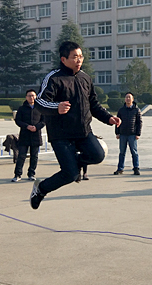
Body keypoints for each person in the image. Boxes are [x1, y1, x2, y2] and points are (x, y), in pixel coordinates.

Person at [29, 41, 121, 209]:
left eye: (80, 56)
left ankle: (73, 163)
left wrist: (108, 118)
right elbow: (40, 102)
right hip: (61, 135)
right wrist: (56, 107)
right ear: (63, 59)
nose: (79, 60)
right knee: (70, 174)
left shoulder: (85, 78)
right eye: (74, 57)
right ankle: (41, 189)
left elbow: (93, 104)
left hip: (83, 131)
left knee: (97, 155)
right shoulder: (54, 78)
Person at [12, 89, 45, 182]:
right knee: (21, 156)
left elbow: (44, 121)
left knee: (34, 156)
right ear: (26, 97)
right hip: (24, 135)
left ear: (36, 97)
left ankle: (31, 174)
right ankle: (17, 174)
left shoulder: (40, 108)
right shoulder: (22, 108)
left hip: (36, 135)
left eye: (33, 95)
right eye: (29, 96)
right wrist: (27, 126)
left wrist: (36, 127)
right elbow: (18, 121)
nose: (31, 97)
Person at [114, 92, 142, 175]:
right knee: (122, 152)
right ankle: (120, 169)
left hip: (132, 134)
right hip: (123, 134)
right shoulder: (121, 110)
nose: (128, 99)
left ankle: (136, 168)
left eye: (129, 97)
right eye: (126, 97)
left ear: (132, 99)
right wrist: (117, 133)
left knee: (134, 152)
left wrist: (138, 134)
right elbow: (117, 122)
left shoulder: (136, 110)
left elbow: (139, 123)